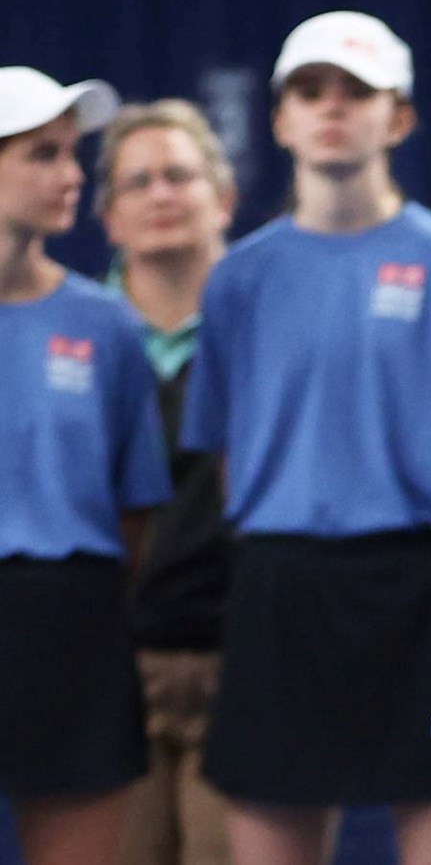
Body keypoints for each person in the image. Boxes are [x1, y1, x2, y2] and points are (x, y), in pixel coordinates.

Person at [185, 11, 431, 865]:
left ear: (398, 117)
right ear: (280, 118)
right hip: (279, 584)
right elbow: (226, 457)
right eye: (310, 90)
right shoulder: (239, 278)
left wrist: (417, 554)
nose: (332, 107)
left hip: (420, 585)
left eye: (356, 91)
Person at [1, 66, 166, 865]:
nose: (71, 175)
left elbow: (136, 510)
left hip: (73, 621)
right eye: (42, 154)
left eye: (71, 154)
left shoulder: (107, 324)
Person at [99, 99, 242, 865]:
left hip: (241, 663)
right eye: (139, 181)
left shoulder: (267, 325)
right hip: (104, 670)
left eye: (180, 175)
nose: (161, 194)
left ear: (222, 198)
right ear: (109, 217)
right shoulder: (74, 330)